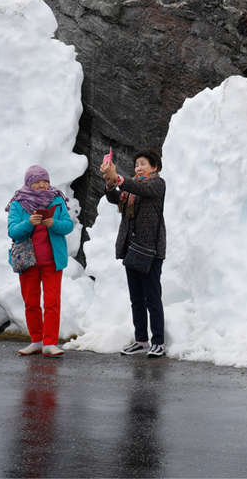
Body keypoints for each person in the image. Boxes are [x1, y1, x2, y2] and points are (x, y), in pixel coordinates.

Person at [101, 149, 167, 358]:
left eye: (143, 164)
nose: (138, 167)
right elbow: (116, 198)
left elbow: (140, 187)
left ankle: (158, 341)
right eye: (136, 164)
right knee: (136, 298)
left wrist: (119, 178)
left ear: (154, 167)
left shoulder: (157, 184)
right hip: (132, 248)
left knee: (152, 298)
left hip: (150, 250)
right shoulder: (131, 190)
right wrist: (110, 183)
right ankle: (141, 340)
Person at [7, 165, 75, 357]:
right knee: (31, 303)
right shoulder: (18, 203)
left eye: (45, 181)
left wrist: (54, 224)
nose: (42, 185)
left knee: (52, 303)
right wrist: (29, 222)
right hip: (28, 262)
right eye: (37, 181)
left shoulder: (56, 199)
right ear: (29, 183)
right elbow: (12, 231)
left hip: (52, 261)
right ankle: (36, 341)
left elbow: (68, 225)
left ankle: (50, 343)